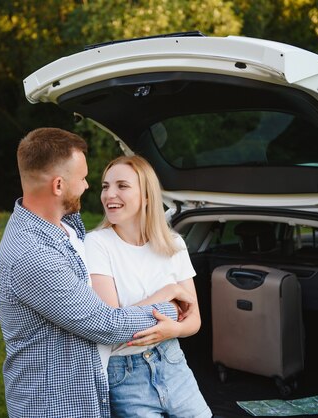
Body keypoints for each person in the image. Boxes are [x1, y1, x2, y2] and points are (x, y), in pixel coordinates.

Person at [0, 128, 194, 418]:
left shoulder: (65, 225)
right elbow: (106, 323)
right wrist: (172, 307)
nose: (88, 186)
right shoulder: (33, 254)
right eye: (84, 178)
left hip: (82, 388)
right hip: (54, 403)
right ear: (58, 185)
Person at [85, 155, 212, 418]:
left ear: (146, 196)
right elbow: (112, 326)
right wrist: (166, 295)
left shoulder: (173, 243)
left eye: (122, 185)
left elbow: (194, 320)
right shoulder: (97, 244)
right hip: (124, 372)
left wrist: (172, 329)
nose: (110, 194)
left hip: (172, 361)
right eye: (106, 186)